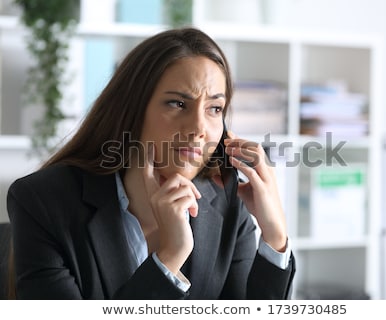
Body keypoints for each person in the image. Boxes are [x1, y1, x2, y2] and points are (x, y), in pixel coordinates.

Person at [7, 27, 295, 299]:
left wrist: (275, 237)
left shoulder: (227, 200)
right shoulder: (42, 201)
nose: (199, 128)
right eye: (177, 104)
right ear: (132, 109)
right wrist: (169, 258)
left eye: (214, 108)